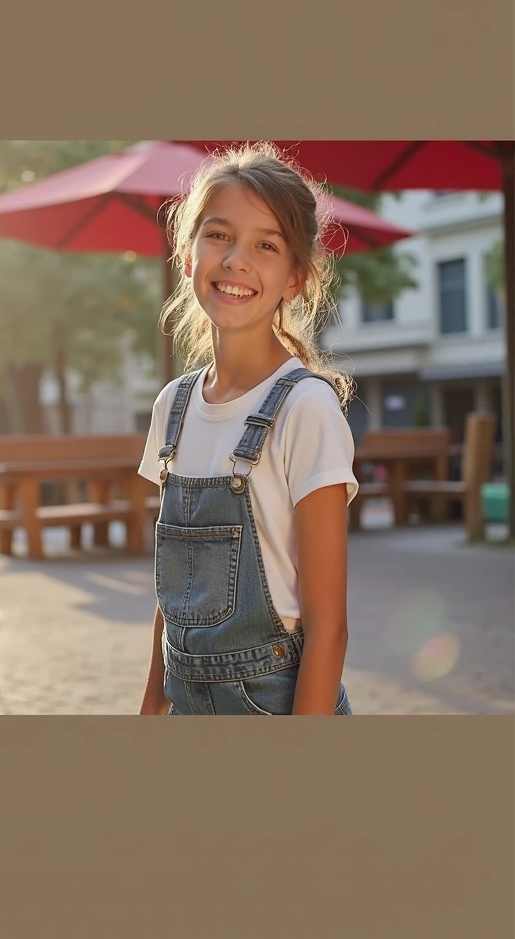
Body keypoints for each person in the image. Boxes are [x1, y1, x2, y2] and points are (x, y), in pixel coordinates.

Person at [138, 142, 359, 716]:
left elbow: (328, 629)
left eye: (266, 245)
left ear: (294, 278)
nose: (236, 259)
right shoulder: (173, 407)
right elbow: (177, 595)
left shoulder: (305, 410)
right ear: (187, 256)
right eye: (218, 235)